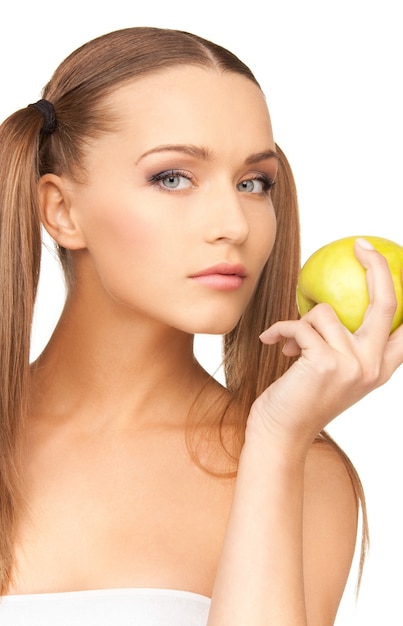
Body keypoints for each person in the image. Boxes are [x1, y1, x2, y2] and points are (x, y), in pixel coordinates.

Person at [0, 26, 401, 626]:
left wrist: (273, 443)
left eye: (252, 183)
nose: (233, 224)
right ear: (61, 210)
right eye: (173, 177)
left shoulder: (303, 470)